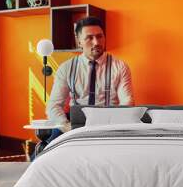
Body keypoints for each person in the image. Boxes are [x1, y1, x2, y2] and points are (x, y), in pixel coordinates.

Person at [33, 16, 134, 156]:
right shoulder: (66, 68)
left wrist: (113, 129)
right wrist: (68, 128)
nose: (96, 42)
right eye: (89, 38)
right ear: (79, 41)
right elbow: (53, 106)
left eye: (100, 36)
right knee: (42, 156)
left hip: (109, 123)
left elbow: (127, 103)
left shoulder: (120, 67)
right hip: (74, 123)